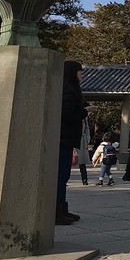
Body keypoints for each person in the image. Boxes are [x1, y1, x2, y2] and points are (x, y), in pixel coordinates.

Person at [57, 60, 86, 225]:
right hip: (63, 139)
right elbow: (66, 116)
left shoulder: (68, 90)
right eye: (79, 71)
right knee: (61, 176)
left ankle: (62, 208)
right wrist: (83, 112)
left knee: (64, 176)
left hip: (66, 139)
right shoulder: (68, 92)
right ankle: (57, 210)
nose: (81, 74)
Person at [76, 110, 92, 185]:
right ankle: (64, 178)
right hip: (72, 138)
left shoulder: (84, 117)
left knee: (82, 162)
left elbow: (86, 128)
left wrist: (88, 138)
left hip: (82, 139)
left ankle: (84, 179)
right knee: (69, 160)